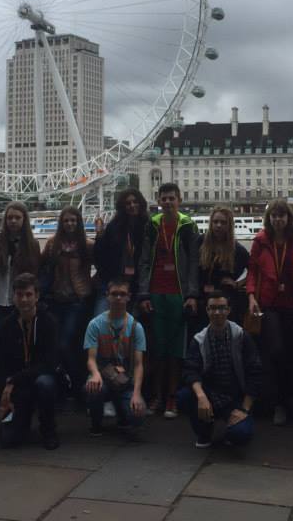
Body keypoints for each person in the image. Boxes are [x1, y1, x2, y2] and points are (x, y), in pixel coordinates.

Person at [246, 198, 293, 425]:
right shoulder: (261, 240)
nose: (278, 219)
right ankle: (284, 401)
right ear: (269, 218)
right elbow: (253, 270)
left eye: (282, 215)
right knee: (275, 351)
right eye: (274, 215)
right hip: (269, 304)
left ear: (288, 217)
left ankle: (289, 399)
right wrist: (251, 296)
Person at [137, 182, 199, 418]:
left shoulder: (187, 226)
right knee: (157, 348)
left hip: (178, 294)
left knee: (176, 349)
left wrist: (192, 294)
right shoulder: (152, 225)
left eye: (172, 198)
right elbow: (144, 261)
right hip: (155, 293)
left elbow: (193, 262)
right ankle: (157, 396)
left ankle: (172, 397)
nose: (168, 202)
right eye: (164, 199)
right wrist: (144, 293)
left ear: (179, 200)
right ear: (158, 201)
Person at [178, 291, 263, 448]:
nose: (217, 312)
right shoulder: (199, 339)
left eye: (222, 308)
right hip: (210, 396)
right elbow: (190, 370)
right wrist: (201, 396)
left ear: (229, 310)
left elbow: (255, 372)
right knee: (184, 396)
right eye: (213, 308)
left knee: (240, 434)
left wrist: (244, 409)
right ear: (207, 310)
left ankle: (232, 427)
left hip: (235, 398)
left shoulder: (241, 336)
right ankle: (204, 431)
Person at [0, 273, 60, 450]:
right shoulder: (5, 326)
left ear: (37, 296)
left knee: (45, 383)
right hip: (18, 386)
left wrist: (13, 380)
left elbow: (49, 363)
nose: (24, 300)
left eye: (29, 295)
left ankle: (48, 429)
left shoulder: (48, 323)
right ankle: (22, 420)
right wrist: (4, 391)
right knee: (9, 441)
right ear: (13, 297)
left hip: (40, 379)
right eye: (20, 295)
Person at [41, 206, 95, 393]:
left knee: (66, 344)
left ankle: (77, 385)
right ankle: (68, 385)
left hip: (77, 302)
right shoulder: (51, 244)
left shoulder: (87, 245)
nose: (70, 224)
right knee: (57, 345)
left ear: (78, 222)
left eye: (73, 220)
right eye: (66, 220)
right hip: (55, 300)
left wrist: (90, 286)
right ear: (61, 223)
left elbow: (101, 266)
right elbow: (43, 268)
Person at [84, 278, 147, 437]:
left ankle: (123, 414)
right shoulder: (95, 324)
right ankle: (96, 423)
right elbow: (91, 358)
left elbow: (139, 364)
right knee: (93, 388)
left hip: (125, 381)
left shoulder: (136, 327)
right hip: (103, 378)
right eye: (114, 294)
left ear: (128, 297)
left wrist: (136, 393)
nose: (118, 298)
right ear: (107, 296)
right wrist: (95, 374)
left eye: (122, 294)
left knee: (137, 416)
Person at [94, 188, 149, 310]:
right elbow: (101, 255)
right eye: (128, 203)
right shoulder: (113, 227)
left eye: (135, 202)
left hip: (138, 284)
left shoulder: (148, 226)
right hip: (114, 282)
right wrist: (99, 235)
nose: (132, 205)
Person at [0, 202, 40, 325]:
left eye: (17, 217)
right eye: (9, 218)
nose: (13, 221)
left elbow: (35, 276)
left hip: (22, 303)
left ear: (24, 220)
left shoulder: (33, 245)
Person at [196, 207, 250, 327]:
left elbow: (255, 272)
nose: (218, 225)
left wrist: (238, 284)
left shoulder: (238, 250)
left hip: (226, 303)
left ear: (229, 225)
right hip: (202, 301)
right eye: (215, 222)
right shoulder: (200, 242)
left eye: (223, 222)